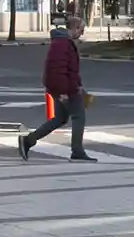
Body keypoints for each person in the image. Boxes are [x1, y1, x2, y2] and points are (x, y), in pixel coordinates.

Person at [18, 15, 93, 161]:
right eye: (81, 30)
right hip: (66, 90)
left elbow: (70, 69)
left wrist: (80, 86)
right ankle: (77, 151)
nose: (82, 34)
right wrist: (63, 91)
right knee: (79, 117)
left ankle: (28, 141)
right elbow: (57, 70)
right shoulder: (63, 44)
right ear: (75, 28)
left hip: (65, 88)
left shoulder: (62, 42)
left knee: (59, 119)